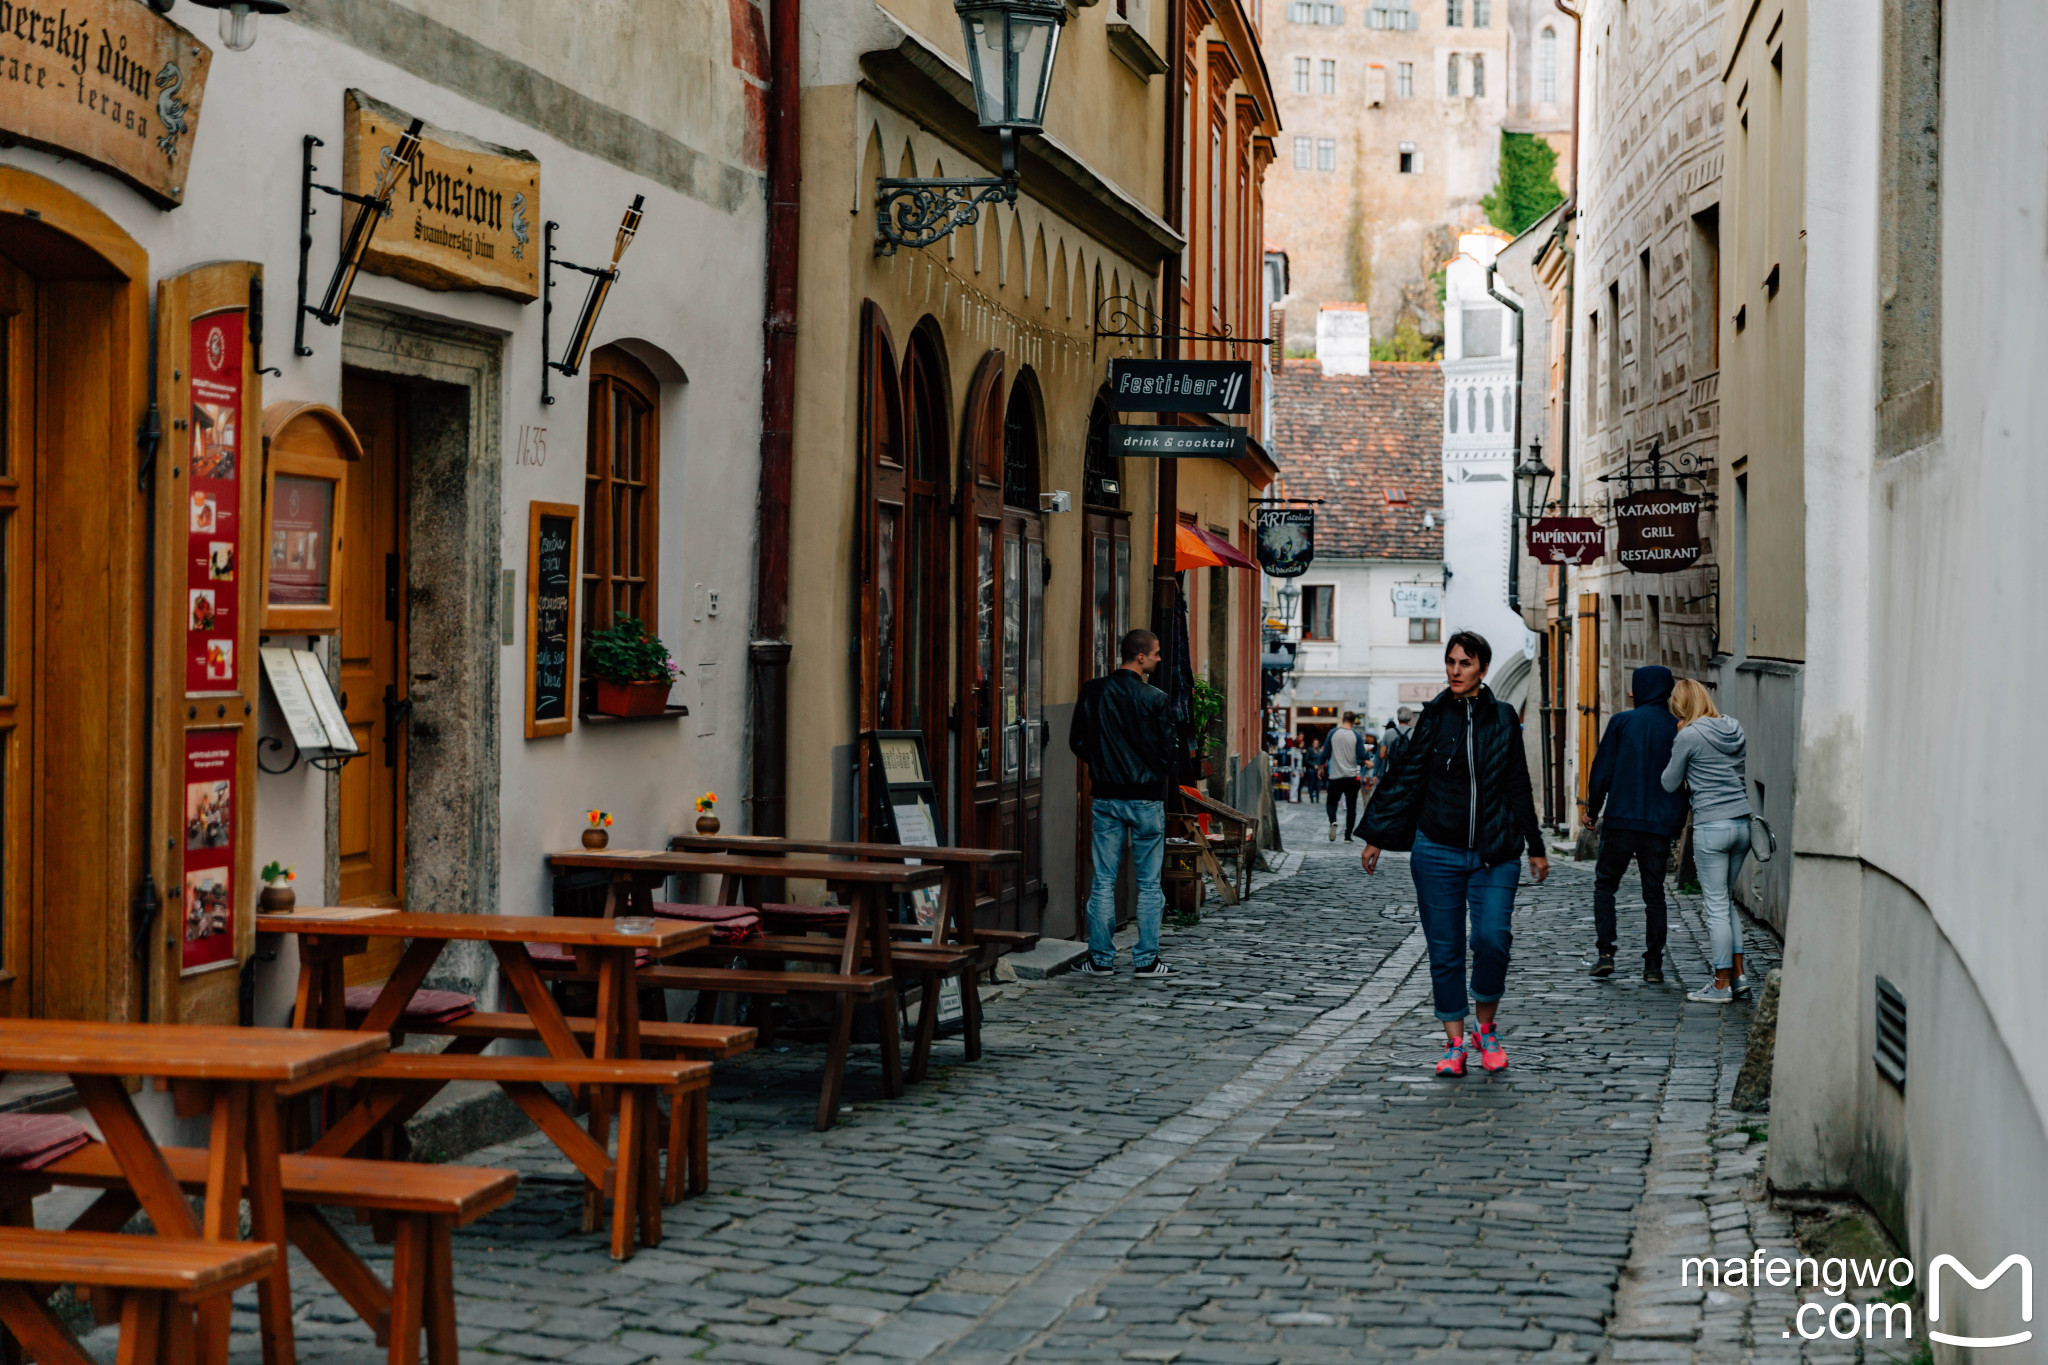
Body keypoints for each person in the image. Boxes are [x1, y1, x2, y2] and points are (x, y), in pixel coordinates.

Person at [1361, 632, 1548, 1077]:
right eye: (1450, 662)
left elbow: (1518, 784)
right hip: (1436, 851)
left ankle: (1486, 1028)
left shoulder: (1503, 718)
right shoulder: (1434, 718)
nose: (1455, 670)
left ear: (1483, 668)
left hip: (1495, 850)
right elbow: (1405, 777)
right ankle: (1454, 1044)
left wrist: (1536, 847)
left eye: (1465, 663)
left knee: (1491, 939)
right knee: (1444, 950)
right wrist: (1377, 836)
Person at [1068, 628, 1180, 979]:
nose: (1160, 659)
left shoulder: (1094, 691)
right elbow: (1170, 753)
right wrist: (1151, 771)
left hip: (1106, 796)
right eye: (1157, 653)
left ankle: (1101, 960)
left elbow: (1077, 741)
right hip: (1145, 799)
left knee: (1103, 880)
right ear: (1140, 657)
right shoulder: (1156, 699)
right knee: (1148, 883)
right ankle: (1146, 960)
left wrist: (1103, 764)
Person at [1583, 665, 1690, 983]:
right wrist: (1678, 822)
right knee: (1654, 893)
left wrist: (1593, 808)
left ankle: (1606, 953)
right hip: (1658, 824)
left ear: (1638, 691)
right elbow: (1687, 780)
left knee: (1605, 885)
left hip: (1621, 819)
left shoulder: (1621, 722)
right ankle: (1653, 965)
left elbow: (1602, 769)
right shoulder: (1678, 727)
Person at [1661, 679, 1754, 1003]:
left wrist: (1679, 740)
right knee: (1725, 902)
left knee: (1715, 907)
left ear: (1682, 707)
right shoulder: (1734, 728)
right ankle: (1739, 977)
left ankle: (1720, 984)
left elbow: (1669, 782)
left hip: (1712, 824)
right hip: (1743, 823)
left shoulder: (1688, 735)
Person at [1324, 713, 1368, 840]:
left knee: (1331, 802)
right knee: (1351, 806)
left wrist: (1321, 765)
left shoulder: (1333, 733)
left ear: (1342, 720)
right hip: (1351, 776)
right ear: (1354, 721)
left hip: (1336, 775)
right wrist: (1367, 755)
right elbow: (1361, 755)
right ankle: (1348, 836)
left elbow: (1326, 753)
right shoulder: (1356, 736)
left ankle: (1333, 820)